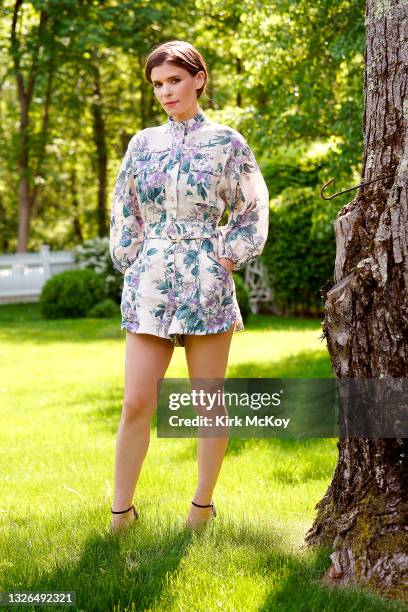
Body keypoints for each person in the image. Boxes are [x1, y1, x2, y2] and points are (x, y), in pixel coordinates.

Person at [109, 40, 269, 533]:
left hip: (206, 282)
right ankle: (121, 513)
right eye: (157, 84)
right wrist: (131, 260)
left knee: (207, 400)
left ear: (198, 79)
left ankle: (201, 508)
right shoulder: (142, 144)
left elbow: (253, 206)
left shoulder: (227, 142)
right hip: (151, 285)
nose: (165, 92)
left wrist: (228, 256)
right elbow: (124, 208)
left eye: (174, 80)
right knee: (137, 400)